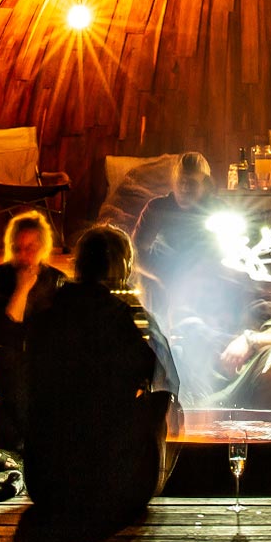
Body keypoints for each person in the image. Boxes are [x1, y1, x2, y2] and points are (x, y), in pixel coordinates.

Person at [23, 224, 176, 526]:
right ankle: (155, 479)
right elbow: (167, 377)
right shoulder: (128, 315)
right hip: (113, 488)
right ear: (123, 267)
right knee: (163, 400)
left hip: (45, 484)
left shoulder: (47, 310)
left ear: (78, 265)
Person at [0, 210, 65, 451]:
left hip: (45, 362)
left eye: (31, 248)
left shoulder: (58, 282)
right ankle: (32, 437)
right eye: (17, 248)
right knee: (5, 357)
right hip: (3, 366)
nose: (23, 255)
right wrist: (21, 292)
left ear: (43, 248)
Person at [132, 151, 214, 327]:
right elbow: (136, 253)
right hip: (162, 279)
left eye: (191, 183)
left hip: (205, 282)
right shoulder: (157, 209)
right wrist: (161, 277)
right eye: (181, 182)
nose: (184, 189)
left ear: (205, 186)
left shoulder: (216, 210)